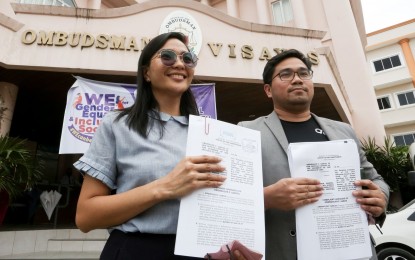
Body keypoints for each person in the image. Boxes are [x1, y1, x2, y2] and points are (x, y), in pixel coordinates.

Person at [74, 32, 234, 260]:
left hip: (202, 251)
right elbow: (86, 217)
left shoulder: (212, 133)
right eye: (167, 56)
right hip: (136, 250)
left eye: (187, 59)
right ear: (146, 72)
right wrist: (165, 187)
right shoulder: (118, 124)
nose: (179, 63)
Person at [238, 49, 389, 260]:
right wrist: (266, 198)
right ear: (268, 90)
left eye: (303, 73)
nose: (297, 79)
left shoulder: (343, 131)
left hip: (353, 251)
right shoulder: (246, 132)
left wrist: (380, 196)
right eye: (286, 74)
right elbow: (230, 197)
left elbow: (376, 180)